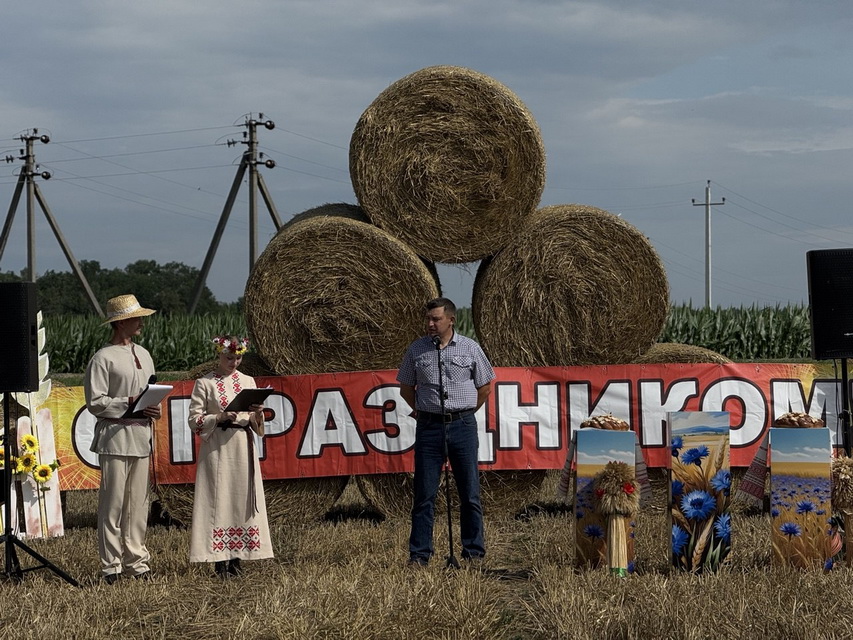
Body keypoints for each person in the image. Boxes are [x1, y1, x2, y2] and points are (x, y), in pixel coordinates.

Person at [397, 297, 495, 566]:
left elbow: (485, 386)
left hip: (462, 425)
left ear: (450, 320)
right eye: (428, 318)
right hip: (429, 427)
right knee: (424, 495)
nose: (430, 323)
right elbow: (406, 388)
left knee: (469, 493)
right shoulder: (416, 350)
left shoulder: (470, 348)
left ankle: (473, 552)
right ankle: (419, 555)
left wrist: (464, 412)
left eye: (436, 319)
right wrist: (421, 410)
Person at [84, 294, 160, 584]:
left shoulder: (145, 353)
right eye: (137, 317)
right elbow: (95, 402)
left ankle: (138, 563)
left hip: (141, 437)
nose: (142, 321)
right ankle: (111, 567)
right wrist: (128, 401)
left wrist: (154, 407)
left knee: (138, 505)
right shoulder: (102, 358)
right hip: (115, 437)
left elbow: (151, 392)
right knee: (113, 504)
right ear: (121, 323)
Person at [187, 335, 273, 578]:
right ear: (219, 354)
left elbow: (257, 422)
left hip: (242, 446)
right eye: (228, 357)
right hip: (218, 446)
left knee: (239, 498)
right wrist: (219, 417)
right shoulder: (205, 383)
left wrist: (258, 413)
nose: (233, 362)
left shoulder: (248, 381)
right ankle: (218, 560)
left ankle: (238, 558)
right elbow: (194, 420)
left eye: (237, 358)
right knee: (218, 498)